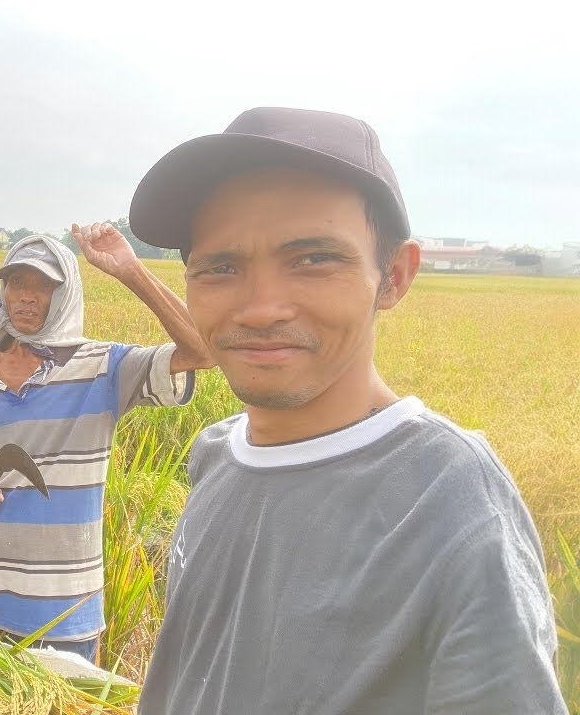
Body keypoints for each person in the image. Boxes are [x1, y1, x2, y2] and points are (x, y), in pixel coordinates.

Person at [121, 106, 565, 713]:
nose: (260, 307)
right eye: (221, 268)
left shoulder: (449, 500)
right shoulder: (216, 455)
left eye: (312, 260)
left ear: (394, 277)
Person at [0, 233, 213, 663]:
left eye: (42, 286)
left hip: (59, 609)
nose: (26, 297)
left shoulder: (104, 368)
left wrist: (130, 270)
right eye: (16, 283)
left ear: (64, 295)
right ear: (2, 290)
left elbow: (202, 350)